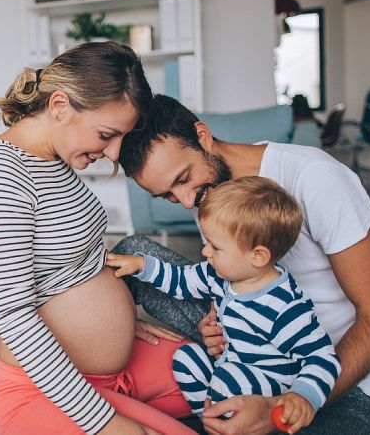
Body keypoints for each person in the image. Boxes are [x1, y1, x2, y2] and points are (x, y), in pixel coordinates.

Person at [113, 94, 370, 435]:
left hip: (341, 376)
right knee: (131, 253)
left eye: (182, 178)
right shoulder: (208, 192)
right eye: (167, 195)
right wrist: (214, 319)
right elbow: (229, 280)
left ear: (203, 136)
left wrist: (280, 408)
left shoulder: (314, 177)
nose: (186, 201)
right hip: (253, 350)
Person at [0, 42, 196, 435]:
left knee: (225, 383)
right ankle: (4, 382)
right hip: (42, 389)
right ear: (60, 106)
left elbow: (71, 267)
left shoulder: (54, 157)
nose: (114, 153)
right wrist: (107, 423)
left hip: (108, 367)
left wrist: (116, 325)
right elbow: (13, 316)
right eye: (106, 134)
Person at [107, 176, 341, 434]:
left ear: (257, 256)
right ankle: (212, 422)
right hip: (229, 364)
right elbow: (181, 280)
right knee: (186, 359)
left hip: (266, 384)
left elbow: (322, 357)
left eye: (215, 247)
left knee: (227, 379)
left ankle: (226, 419)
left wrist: (303, 396)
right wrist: (141, 265)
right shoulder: (219, 274)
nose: (205, 252)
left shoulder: (284, 307)